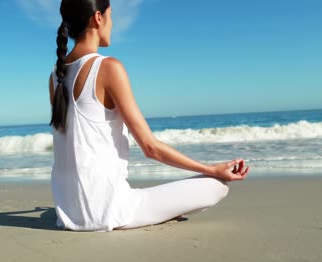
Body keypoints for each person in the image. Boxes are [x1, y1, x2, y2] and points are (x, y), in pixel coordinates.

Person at [48, 0, 250, 232]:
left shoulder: (55, 76)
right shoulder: (108, 68)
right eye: (111, 16)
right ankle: (162, 212)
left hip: (67, 213)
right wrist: (211, 169)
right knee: (217, 186)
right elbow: (150, 148)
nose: (112, 24)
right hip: (110, 211)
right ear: (98, 18)